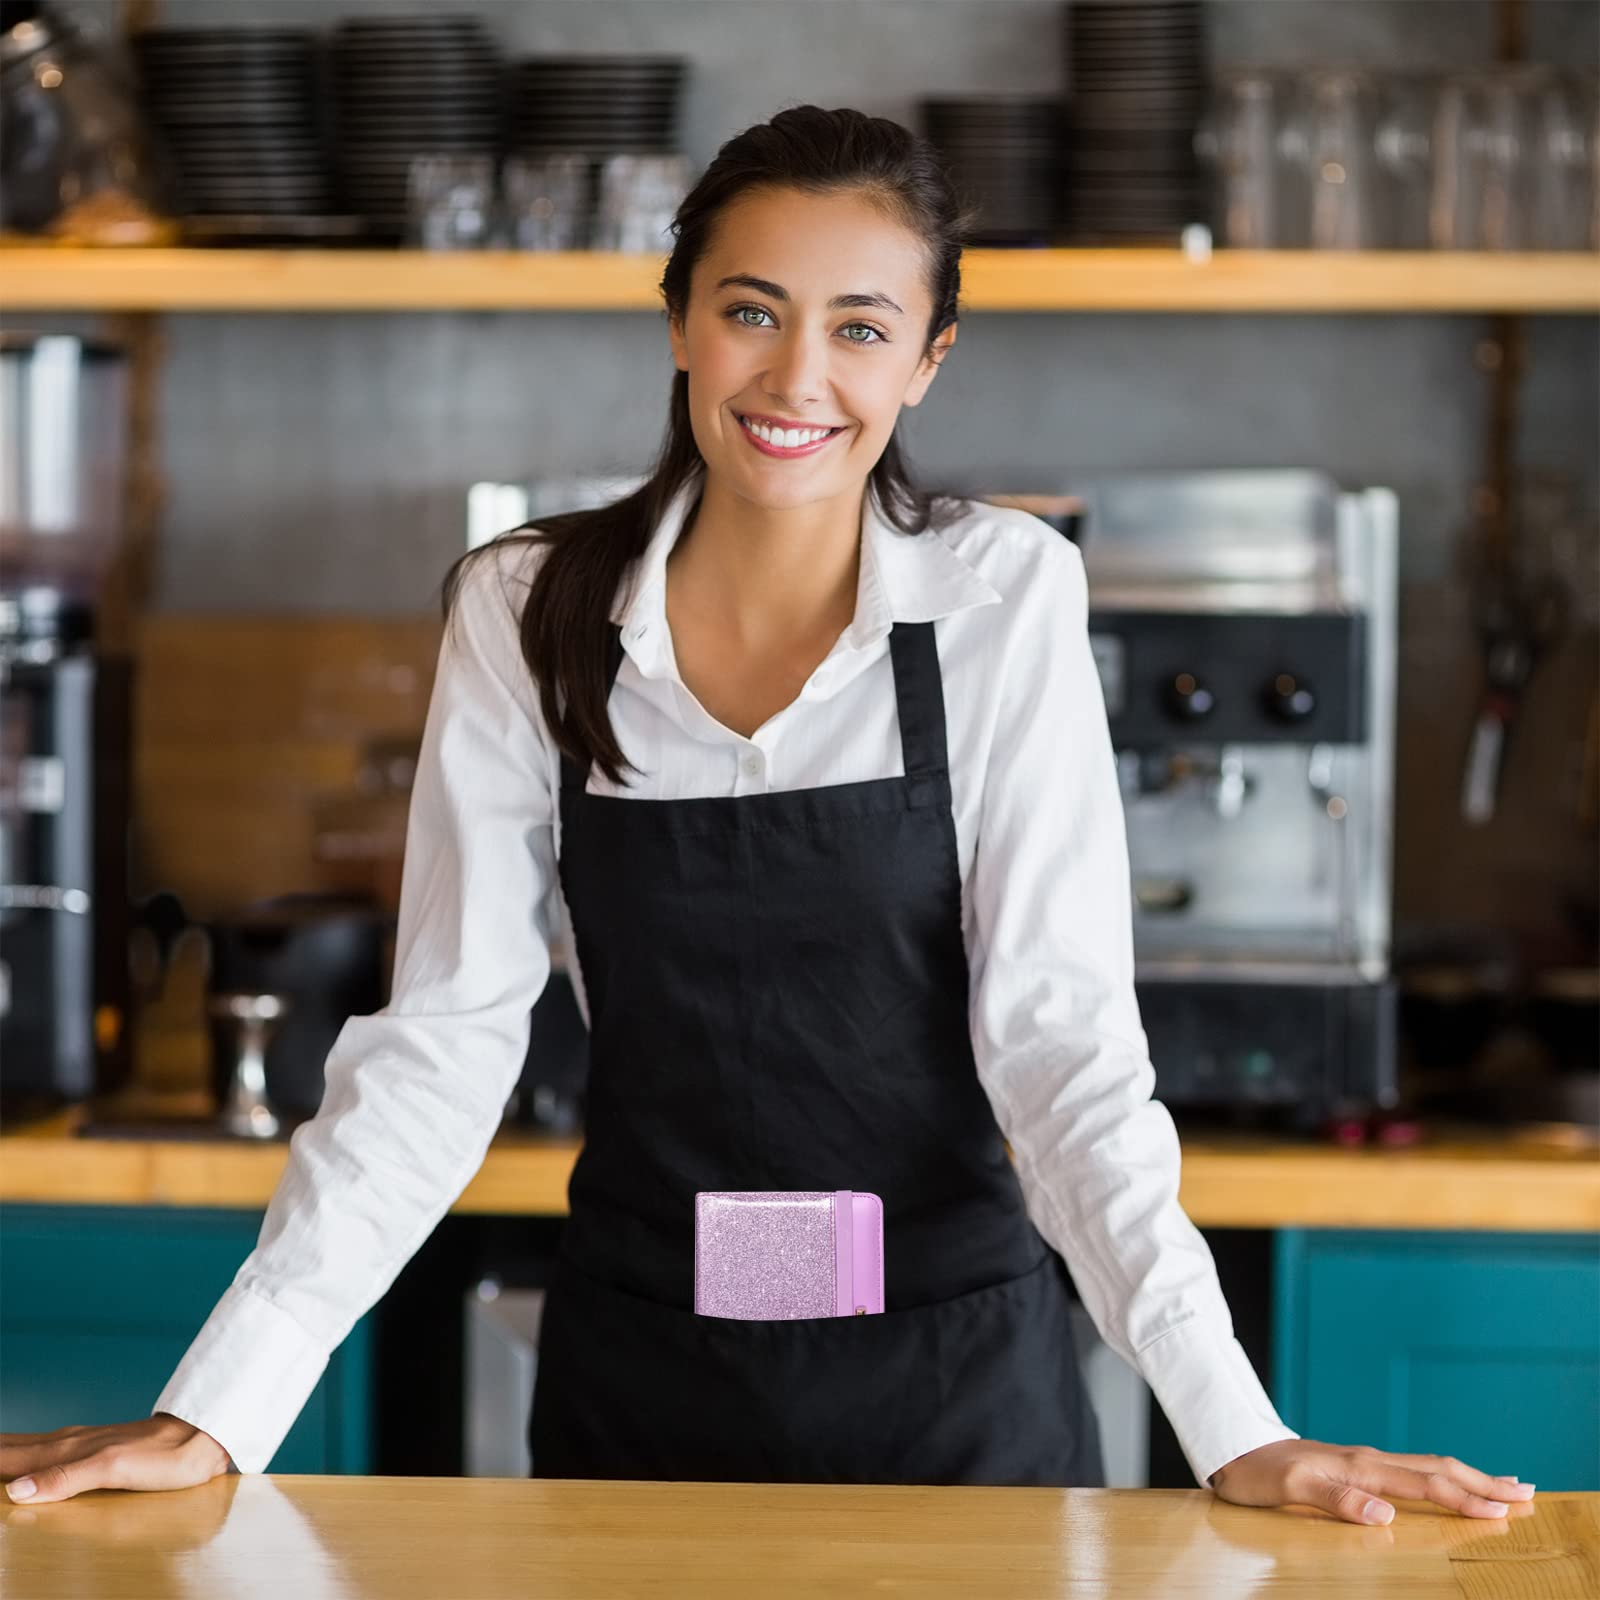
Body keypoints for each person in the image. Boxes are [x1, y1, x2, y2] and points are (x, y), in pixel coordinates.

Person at [2, 106, 1535, 1524]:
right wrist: (219, 1411)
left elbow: (1059, 1046)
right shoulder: (529, 609)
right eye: (752, 310)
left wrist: (1234, 1429)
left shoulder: (1002, 600)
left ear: (928, 359)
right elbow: (447, 1039)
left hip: (953, 1391)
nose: (798, 380)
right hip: (643, 1384)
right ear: (678, 318)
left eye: (861, 328)